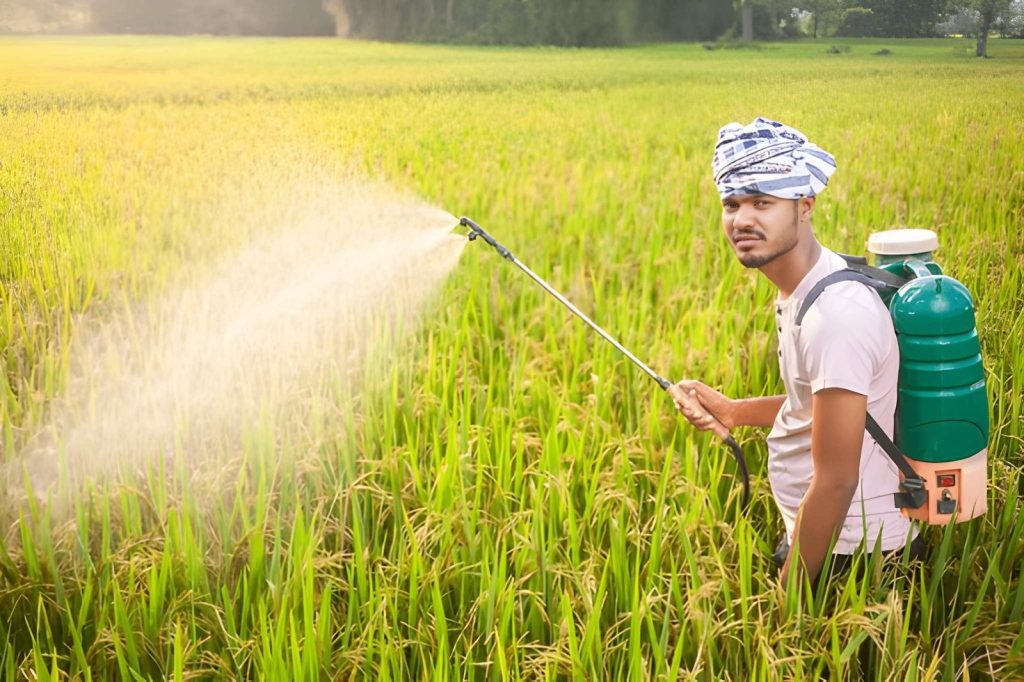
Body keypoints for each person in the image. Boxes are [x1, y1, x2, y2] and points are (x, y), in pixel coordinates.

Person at [675, 117, 922, 587]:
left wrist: (789, 599)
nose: (742, 219)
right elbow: (816, 407)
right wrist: (733, 411)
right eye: (732, 203)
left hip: (852, 553)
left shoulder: (836, 317)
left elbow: (835, 482)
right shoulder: (802, 290)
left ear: (804, 206)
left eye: (763, 202)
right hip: (822, 535)